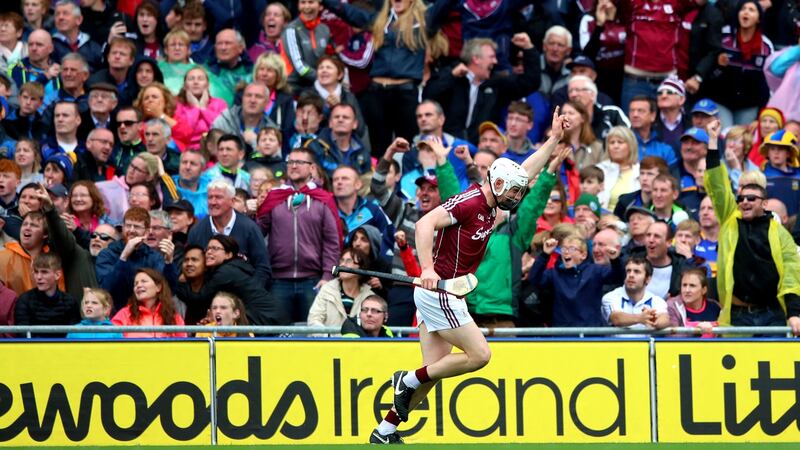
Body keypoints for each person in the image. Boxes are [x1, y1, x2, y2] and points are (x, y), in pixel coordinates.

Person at [371, 109, 571, 443]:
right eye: (511, 191)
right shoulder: (470, 201)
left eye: (517, 191)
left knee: (430, 376)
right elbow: (424, 224)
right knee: (480, 355)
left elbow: (526, 170)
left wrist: (553, 139)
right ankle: (405, 379)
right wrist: (429, 269)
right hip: (440, 292)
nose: (515, 196)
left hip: (446, 294)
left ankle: (385, 430)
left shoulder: (495, 203)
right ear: (496, 182)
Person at [704, 119, 800, 334]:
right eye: (741, 198)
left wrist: (794, 313)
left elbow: (792, 276)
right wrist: (712, 141)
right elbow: (717, 184)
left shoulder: (780, 234)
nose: (744, 202)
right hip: (738, 316)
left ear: (764, 203)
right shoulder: (730, 219)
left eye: (751, 198)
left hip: (772, 314)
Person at [257, 147, 341, 323]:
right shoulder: (275, 197)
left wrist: (327, 276)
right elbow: (258, 234)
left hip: (314, 281)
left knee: (312, 336)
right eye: (290, 162)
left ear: (312, 168)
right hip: (278, 280)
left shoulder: (322, 199)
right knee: (280, 337)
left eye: (299, 162)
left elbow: (332, 242)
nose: (293, 166)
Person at [425, 35, 540, 145]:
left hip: (481, 150)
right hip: (448, 147)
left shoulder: (496, 84)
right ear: (476, 59)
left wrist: (529, 48)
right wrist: (451, 76)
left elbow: (530, 83)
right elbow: (428, 96)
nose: (495, 61)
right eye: (491, 57)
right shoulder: (452, 76)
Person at [176, 235, 284, 326]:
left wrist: (180, 284)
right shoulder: (230, 268)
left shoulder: (226, 272)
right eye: (207, 249)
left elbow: (199, 299)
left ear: (228, 255)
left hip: (264, 318)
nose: (209, 252)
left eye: (215, 249)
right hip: (267, 316)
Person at [187, 178, 271, 286]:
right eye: (210, 197)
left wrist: (250, 294)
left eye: (218, 197)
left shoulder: (249, 228)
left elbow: (262, 268)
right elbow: (191, 268)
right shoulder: (197, 231)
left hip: (243, 295)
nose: (213, 202)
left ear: (232, 201)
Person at [95, 207, 178, 312]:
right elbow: (106, 289)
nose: (131, 230)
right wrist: (123, 257)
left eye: (137, 227)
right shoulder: (107, 254)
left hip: (146, 317)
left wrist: (169, 262)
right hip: (115, 316)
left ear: (147, 232)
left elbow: (168, 291)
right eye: (128, 226)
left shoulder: (154, 257)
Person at [37, 187, 98, 300]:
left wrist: (77, 231)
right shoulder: (56, 223)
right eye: (75, 196)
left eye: (53, 198)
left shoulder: (103, 225)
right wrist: (50, 211)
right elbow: (63, 241)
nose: (78, 199)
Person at [307, 247, 375, 333]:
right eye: (342, 260)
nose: (342, 264)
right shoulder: (327, 289)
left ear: (361, 268)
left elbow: (374, 328)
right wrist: (329, 339)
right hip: (329, 344)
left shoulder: (369, 296)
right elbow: (314, 320)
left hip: (358, 345)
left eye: (349, 261)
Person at [13, 252, 79, 338]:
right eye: (36, 272)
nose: (39, 277)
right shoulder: (24, 300)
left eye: (44, 272)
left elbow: (74, 335)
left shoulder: (70, 301)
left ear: (57, 275)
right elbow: (22, 334)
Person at [111, 268, 187, 338]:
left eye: (143, 281)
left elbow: (183, 344)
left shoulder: (172, 316)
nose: (139, 285)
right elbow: (110, 341)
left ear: (158, 287)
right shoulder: (124, 314)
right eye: (136, 284)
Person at [602, 256, 670, 332]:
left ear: (647, 279)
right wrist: (640, 318)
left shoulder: (657, 300)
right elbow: (616, 318)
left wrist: (655, 321)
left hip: (646, 344)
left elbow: (665, 318)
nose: (631, 275)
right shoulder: (611, 297)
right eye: (628, 271)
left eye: (636, 272)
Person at [171, 66, 227, 151]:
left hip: (216, 150)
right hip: (186, 151)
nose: (195, 82)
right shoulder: (176, 105)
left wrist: (203, 109)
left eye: (200, 79)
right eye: (191, 79)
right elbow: (183, 133)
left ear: (207, 85)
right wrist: (195, 108)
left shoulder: (220, 103)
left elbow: (222, 129)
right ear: (185, 86)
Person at [667, 267, 720, 337]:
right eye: (684, 285)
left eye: (692, 286)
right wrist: (696, 332)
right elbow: (672, 339)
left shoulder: (715, 307)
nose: (687, 290)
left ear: (704, 290)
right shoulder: (672, 306)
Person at [596, 125, 640, 210]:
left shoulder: (640, 171)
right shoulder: (599, 170)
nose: (615, 146)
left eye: (620, 142)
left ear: (630, 146)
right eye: (612, 142)